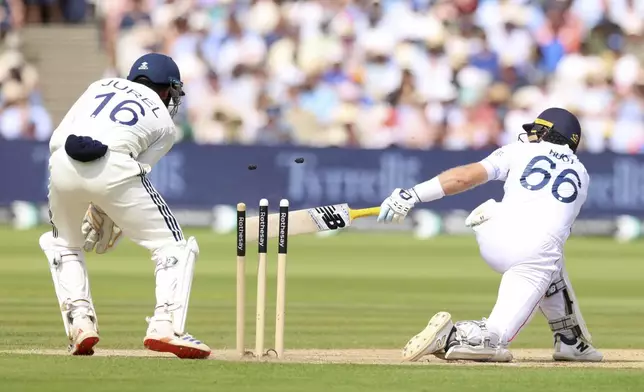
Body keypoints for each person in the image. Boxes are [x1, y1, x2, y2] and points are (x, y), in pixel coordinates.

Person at [378, 107, 603, 363]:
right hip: (534, 251)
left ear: (545, 131)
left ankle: (570, 340)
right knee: (498, 333)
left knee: (551, 259)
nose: (530, 136)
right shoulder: (582, 175)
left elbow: (463, 178)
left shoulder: (519, 150)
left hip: (493, 232)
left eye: (535, 131)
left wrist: (412, 194)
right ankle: (454, 335)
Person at [38, 52, 210, 359]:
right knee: (174, 246)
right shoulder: (165, 125)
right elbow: (137, 171)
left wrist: (91, 200)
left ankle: (79, 322)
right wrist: (105, 204)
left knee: (63, 243)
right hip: (115, 165)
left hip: (62, 160)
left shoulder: (100, 85)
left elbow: (58, 138)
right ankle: (165, 324)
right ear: (166, 89)